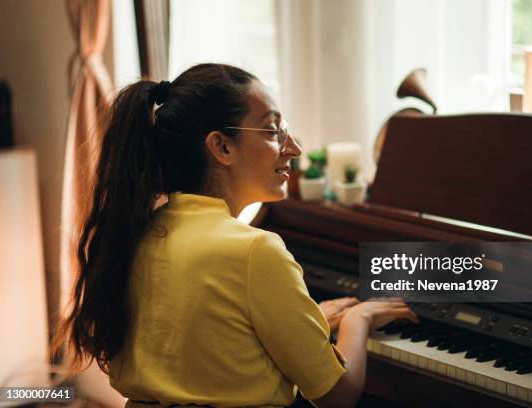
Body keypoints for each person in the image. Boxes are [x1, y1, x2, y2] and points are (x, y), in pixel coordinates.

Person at [52, 63, 419, 408]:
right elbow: (338, 396)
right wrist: (360, 319)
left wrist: (312, 321)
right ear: (221, 147)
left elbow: (206, 345)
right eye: (274, 131)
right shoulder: (255, 250)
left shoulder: (137, 232)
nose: (294, 148)